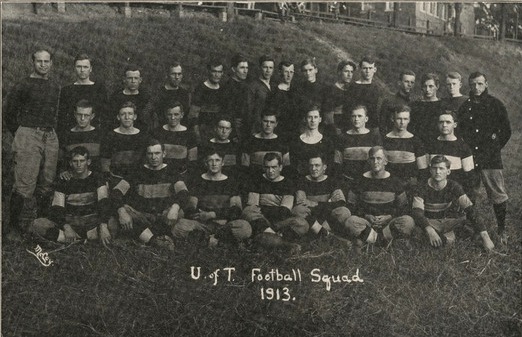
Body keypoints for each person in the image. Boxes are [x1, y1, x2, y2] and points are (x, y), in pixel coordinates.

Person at [5, 48, 61, 236]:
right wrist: (22, 134)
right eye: (39, 61)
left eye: (46, 61)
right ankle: (13, 227)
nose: (43, 65)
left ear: (51, 63)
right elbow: (10, 113)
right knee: (24, 183)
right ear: (33, 62)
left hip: (50, 135)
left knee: (47, 180)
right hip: (29, 134)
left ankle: (41, 223)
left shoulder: (54, 86)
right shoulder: (23, 84)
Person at [458, 72, 511, 244]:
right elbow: (460, 132)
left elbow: (506, 131)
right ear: (469, 86)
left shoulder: (496, 104)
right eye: (473, 84)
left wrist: (494, 148)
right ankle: (472, 228)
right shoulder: (465, 107)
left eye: (480, 84)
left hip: (490, 158)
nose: (476, 88)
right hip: (470, 157)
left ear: (486, 84)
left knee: (497, 193)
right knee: (470, 193)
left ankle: (501, 229)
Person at [110, 140, 189, 250]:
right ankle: (156, 241)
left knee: (179, 212)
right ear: (146, 155)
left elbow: (183, 193)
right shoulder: (136, 171)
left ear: (164, 154)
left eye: (157, 153)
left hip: (163, 217)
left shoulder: (172, 171)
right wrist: (121, 211)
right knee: (123, 211)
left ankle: (144, 238)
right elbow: (116, 192)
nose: (153, 157)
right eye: (150, 153)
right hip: (143, 216)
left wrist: (175, 207)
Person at [30, 146, 115, 245]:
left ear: (88, 162)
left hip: (92, 225)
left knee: (112, 223)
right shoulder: (63, 180)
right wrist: (66, 227)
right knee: (38, 224)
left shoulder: (97, 178)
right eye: (75, 161)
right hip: (72, 225)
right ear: (70, 163)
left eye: (82, 161)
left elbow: (103, 202)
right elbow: (57, 207)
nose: (79, 164)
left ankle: (75, 241)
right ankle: (85, 240)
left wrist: (103, 225)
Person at [412, 155, 495, 250]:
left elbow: (470, 209)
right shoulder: (421, 187)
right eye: (434, 168)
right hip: (430, 222)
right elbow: (417, 213)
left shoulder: (453, 186)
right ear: (430, 170)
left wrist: (485, 236)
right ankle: (446, 239)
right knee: (415, 230)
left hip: (448, 222)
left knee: (469, 222)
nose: (438, 172)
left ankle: (450, 238)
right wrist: (429, 230)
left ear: (448, 171)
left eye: (441, 168)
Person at [173, 149, 252, 247]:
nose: (214, 164)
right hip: (202, 224)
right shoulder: (198, 181)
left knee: (245, 227)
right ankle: (221, 242)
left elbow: (236, 210)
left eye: (217, 160)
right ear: (206, 163)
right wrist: (202, 216)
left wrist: (213, 214)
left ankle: (206, 240)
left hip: (224, 225)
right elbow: (190, 209)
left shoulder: (231, 182)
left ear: (222, 163)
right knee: (179, 226)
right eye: (211, 160)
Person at [292, 154, 376, 244]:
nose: (313, 168)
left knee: (343, 211)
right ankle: (329, 236)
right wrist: (328, 205)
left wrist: (316, 204)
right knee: (298, 210)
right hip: (313, 219)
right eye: (311, 165)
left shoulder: (332, 181)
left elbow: (340, 203)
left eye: (317, 165)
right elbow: (301, 203)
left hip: (328, 220)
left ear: (324, 167)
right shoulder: (302, 181)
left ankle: (323, 235)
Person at [346, 146, 415, 246]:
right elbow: (351, 205)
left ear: (386, 161)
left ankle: (372, 240)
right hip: (367, 223)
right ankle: (382, 241)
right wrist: (366, 216)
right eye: (372, 158)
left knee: (408, 221)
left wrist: (389, 217)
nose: (375, 162)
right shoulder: (359, 181)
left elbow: (403, 207)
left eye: (379, 158)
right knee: (350, 222)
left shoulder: (395, 182)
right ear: (368, 161)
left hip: (388, 224)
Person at [242, 152, 308, 254]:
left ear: (280, 167)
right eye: (267, 167)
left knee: (302, 224)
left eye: (274, 167)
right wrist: (263, 217)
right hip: (261, 220)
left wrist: (272, 225)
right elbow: (253, 206)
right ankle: (284, 244)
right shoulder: (256, 180)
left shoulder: (287, 183)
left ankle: (268, 238)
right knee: (248, 211)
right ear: (264, 167)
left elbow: (284, 210)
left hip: (279, 222)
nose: (270, 171)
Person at [57, 53, 109, 138]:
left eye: (85, 67)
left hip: (94, 135)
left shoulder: (99, 89)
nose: (82, 70)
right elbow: (62, 117)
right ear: (74, 68)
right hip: (72, 135)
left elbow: (105, 116)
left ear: (90, 69)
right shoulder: (67, 90)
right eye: (79, 67)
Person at [426, 111, 475, 195]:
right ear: (437, 124)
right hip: (433, 191)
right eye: (441, 122)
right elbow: (426, 172)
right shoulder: (431, 145)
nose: (444, 125)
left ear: (455, 125)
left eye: (448, 122)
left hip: (455, 192)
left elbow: (469, 177)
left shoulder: (463, 147)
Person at [100, 101, 149, 183]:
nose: (127, 117)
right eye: (123, 114)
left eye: (130, 114)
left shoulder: (143, 136)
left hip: (138, 180)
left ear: (135, 116)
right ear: (118, 117)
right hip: (116, 179)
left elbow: (146, 162)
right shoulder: (110, 136)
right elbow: (105, 164)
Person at [382, 105, 428, 192]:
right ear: (393, 119)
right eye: (399, 118)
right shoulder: (384, 140)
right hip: (389, 185)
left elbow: (423, 169)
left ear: (409, 120)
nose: (402, 122)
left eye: (405, 119)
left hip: (410, 186)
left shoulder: (416, 141)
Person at [334, 105, 382, 181]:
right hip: (348, 180)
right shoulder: (342, 137)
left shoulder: (374, 136)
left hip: (369, 180)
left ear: (366, 119)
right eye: (354, 116)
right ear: (350, 118)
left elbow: (380, 161)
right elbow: (338, 162)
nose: (356, 119)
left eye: (360, 116)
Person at [59, 99, 104, 178]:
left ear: (92, 116)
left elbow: (105, 161)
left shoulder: (100, 134)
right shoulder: (66, 135)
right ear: (75, 114)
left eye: (86, 115)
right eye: (79, 115)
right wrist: (63, 171)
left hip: (96, 179)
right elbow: (61, 160)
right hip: (73, 179)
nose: (82, 119)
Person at [151, 102, 197, 176]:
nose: (173, 118)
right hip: (161, 175)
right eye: (170, 114)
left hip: (182, 175)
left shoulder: (190, 134)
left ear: (182, 115)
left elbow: (193, 161)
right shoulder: (157, 133)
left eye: (176, 114)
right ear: (166, 115)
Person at [241, 109, 290, 178]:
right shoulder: (249, 141)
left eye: (272, 122)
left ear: (276, 124)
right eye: (265, 121)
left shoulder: (282, 142)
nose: (268, 125)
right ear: (261, 121)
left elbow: (286, 167)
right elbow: (244, 168)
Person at [289, 105, 334, 178]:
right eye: (310, 117)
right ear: (305, 119)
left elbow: (330, 167)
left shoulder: (327, 142)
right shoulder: (296, 142)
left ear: (320, 119)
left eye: (315, 117)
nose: (313, 120)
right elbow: (294, 167)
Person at [145, 61, 191, 132]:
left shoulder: (184, 93)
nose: (177, 77)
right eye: (173, 74)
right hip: (162, 131)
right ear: (167, 75)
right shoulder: (158, 93)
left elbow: (186, 115)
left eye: (179, 74)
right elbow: (148, 113)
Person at [190, 59, 225, 143]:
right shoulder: (201, 89)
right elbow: (193, 115)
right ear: (209, 72)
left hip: (219, 132)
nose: (217, 75)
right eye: (214, 71)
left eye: (219, 72)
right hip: (203, 131)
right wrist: (197, 135)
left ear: (222, 73)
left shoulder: (223, 89)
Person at [344, 56, 383, 130]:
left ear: (375, 69)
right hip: (355, 126)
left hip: (371, 126)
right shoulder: (353, 87)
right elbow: (347, 110)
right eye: (365, 68)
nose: (368, 71)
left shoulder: (377, 88)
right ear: (360, 69)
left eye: (370, 68)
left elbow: (376, 111)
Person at [109, 64, 151, 131]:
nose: (133, 81)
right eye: (130, 78)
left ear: (140, 80)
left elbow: (148, 119)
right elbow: (111, 120)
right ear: (124, 79)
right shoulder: (116, 97)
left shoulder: (145, 97)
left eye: (136, 78)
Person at [323, 60, 357, 136]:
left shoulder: (352, 89)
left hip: (350, 126)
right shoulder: (331, 89)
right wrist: (335, 130)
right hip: (336, 128)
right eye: (346, 71)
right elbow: (328, 114)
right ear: (339, 72)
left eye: (351, 72)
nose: (349, 75)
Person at [222, 53, 250, 142]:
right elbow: (227, 113)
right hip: (233, 131)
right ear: (234, 69)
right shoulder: (228, 87)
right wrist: (234, 133)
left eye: (247, 68)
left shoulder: (245, 86)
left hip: (245, 129)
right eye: (242, 68)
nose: (245, 71)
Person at [410, 73, 444, 144]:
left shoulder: (443, 105)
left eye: (431, 86)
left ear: (437, 86)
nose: (427, 89)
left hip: (437, 143)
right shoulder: (414, 105)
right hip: (417, 143)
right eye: (425, 86)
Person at [246, 55, 276, 135]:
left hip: (271, 128)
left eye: (270, 68)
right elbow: (249, 110)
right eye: (265, 67)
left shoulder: (275, 86)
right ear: (260, 68)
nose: (268, 70)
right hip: (257, 128)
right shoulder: (253, 86)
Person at [380, 70, 416, 135]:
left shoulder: (415, 102)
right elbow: (382, 125)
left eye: (412, 82)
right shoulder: (389, 101)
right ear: (399, 83)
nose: (409, 85)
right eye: (406, 81)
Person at [271, 60, 298, 142]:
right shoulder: (274, 92)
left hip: (295, 130)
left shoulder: (296, 91)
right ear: (280, 72)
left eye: (291, 72)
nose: (289, 75)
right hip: (280, 130)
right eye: (286, 72)